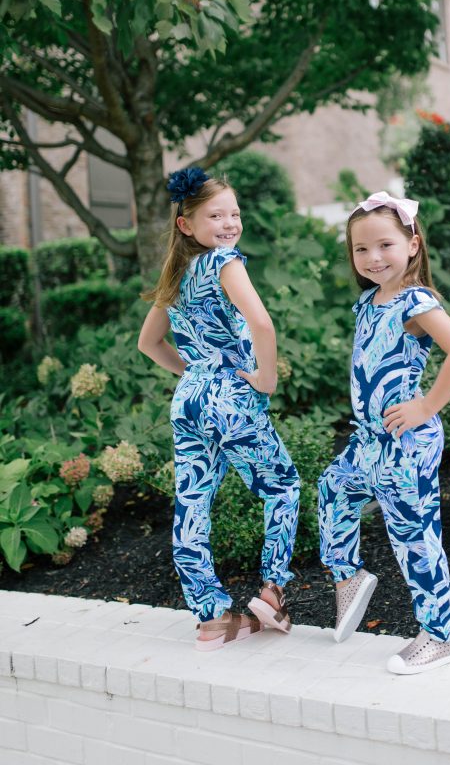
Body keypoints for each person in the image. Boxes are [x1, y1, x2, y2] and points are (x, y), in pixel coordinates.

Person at [138, 167, 300, 651]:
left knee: (192, 504)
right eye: (215, 215)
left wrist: (197, 375)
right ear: (187, 224)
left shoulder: (176, 275)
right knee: (282, 486)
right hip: (232, 397)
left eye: (234, 212)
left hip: (189, 399)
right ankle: (273, 593)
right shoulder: (224, 262)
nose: (229, 223)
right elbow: (262, 324)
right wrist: (264, 377)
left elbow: (149, 344)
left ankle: (211, 618)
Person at [318, 191, 450, 674]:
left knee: (413, 535)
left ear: (412, 244)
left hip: (407, 442)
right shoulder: (368, 301)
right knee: (332, 489)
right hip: (369, 440)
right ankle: (348, 577)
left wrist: (426, 405)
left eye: (385, 245)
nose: (372, 258)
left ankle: (441, 634)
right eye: (361, 249)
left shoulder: (416, 302)